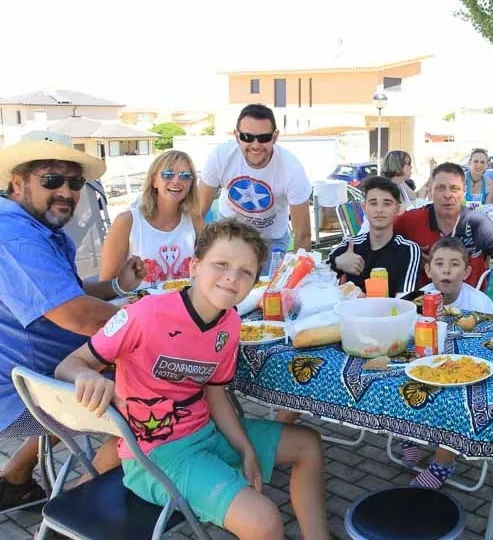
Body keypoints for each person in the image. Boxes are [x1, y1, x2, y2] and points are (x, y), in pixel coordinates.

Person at [55, 220, 330, 540]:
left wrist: (245, 448)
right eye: (221, 264)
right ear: (194, 266)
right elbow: (69, 364)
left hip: (206, 432)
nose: (232, 277)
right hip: (156, 456)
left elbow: (216, 396)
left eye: (246, 271)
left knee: (308, 444)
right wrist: (86, 375)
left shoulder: (230, 324)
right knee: (263, 521)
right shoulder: (144, 314)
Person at [0, 133, 146, 509]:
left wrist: (117, 286)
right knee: (158, 402)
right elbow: (78, 316)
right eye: (52, 180)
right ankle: (75, 510)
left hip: (44, 374)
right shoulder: (14, 236)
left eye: (75, 182)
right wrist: (157, 322)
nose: (66, 191)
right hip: (24, 394)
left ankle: (15, 478)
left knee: (103, 373)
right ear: (18, 183)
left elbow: (71, 292)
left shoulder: (37, 229)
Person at [402, 237, 493, 488]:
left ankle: (443, 463)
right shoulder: (416, 299)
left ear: (466, 272)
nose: (446, 270)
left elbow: (490, 342)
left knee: (456, 400)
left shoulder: (480, 304)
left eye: (454, 264)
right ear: (428, 269)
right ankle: (409, 435)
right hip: (427, 362)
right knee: (401, 380)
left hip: (466, 368)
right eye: (439, 264)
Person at [394, 163, 493, 293]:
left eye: (454, 188)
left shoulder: (477, 222)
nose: (447, 195)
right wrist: (411, 254)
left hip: (472, 305)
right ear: (430, 192)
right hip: (427, 303)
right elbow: (384, 242)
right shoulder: (410, 220)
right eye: (440, 188)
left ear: (464, 192)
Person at [197, 103, 313, 252]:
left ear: (275, 137)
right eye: (247, 137)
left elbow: (303, 235)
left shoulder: (292, 170)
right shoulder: (220, 157)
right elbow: (199, 211)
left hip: (271, 240)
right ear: (237, 136)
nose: (256, 145)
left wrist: (299, 265)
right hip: (229, 232)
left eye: (264, 138)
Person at [100, 150, 203, 288]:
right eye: (168, 174)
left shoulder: (194, 220)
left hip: (183, 300)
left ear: (191, 183)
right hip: (139, 301)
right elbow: (106, 283)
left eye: (185, 176)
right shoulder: (127, 222)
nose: (176, 181)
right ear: (154, 180)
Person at [329, 176, 421, 296]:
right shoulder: (351, 245)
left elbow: (405, 298)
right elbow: (314, 275)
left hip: (392, 308)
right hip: (351, 308)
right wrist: (337, 262)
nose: (379, 210)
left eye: (387, 204)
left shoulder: (408, 249)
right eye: (373, 203)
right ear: (364, 207)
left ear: (397, 209)